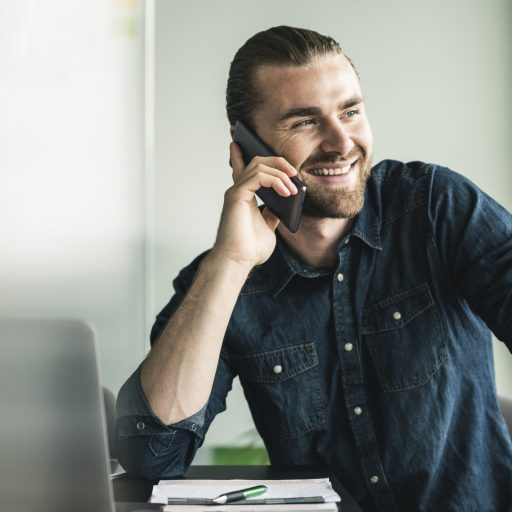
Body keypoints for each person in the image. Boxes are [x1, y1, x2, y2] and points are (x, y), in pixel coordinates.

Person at [116, 26, 512, 511]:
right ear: (245, 144)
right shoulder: (223, 279)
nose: (341, 142)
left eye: (350, 111)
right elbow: (150, 457)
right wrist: (232, 262)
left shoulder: (435, 207)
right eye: (305, 122)